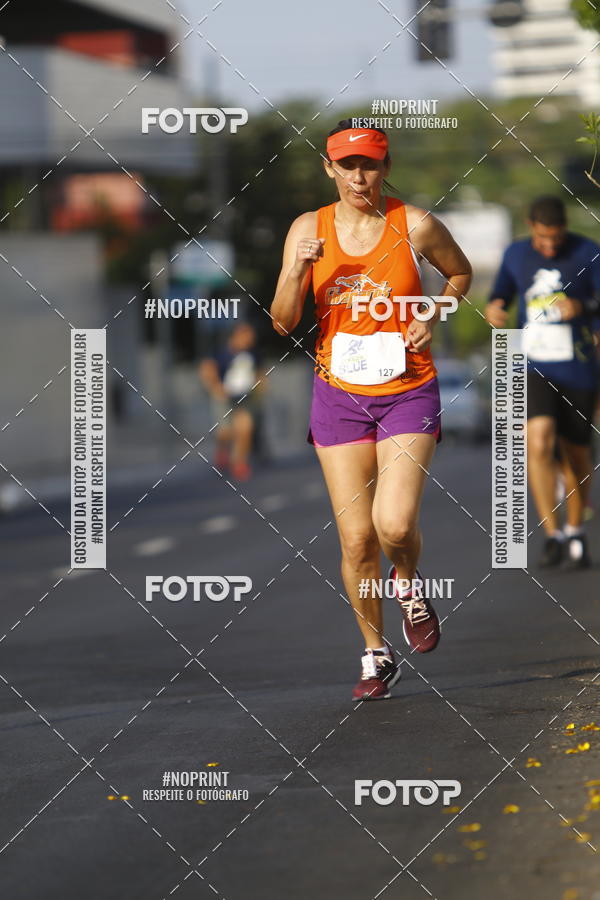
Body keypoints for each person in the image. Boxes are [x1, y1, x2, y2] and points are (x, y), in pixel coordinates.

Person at [270, 120, 472, 701]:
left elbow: (459, 273)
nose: (360, 176)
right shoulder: (309, 229)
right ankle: (375, 655)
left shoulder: (416, 225)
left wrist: (431, 313)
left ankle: (407, 582)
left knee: (395, 525)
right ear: (330, 169)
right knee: (357, 541)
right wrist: (295, 269)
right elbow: (284, 322)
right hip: (339, 396)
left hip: (408, 388)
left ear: (386, 168)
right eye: (348, 165)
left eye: (371, 165)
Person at [486, 195, 600, 569]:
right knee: (537, 440)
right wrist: (496, 307)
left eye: (556, 238)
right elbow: (500, 292)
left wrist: (582, 308)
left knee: (576, 453)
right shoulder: (516, 254)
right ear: (531, 226)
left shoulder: (587, 252)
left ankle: (575, 530)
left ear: (564, 229)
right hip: (532, 365)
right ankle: (551, 533)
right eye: (543, 238)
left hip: (578, 365)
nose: (550, 246)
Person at [199, 322, 264, 481]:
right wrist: (215, 388)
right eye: (246, 336)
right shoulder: (222, 352)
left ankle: (239, 462)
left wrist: (260, 390)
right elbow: (207, 369)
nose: (250, 340)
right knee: (225, 432)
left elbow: (260, 373)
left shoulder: (253, 354)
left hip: (244, 397)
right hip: (224, 396)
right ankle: (222, 450)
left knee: (245, 428)